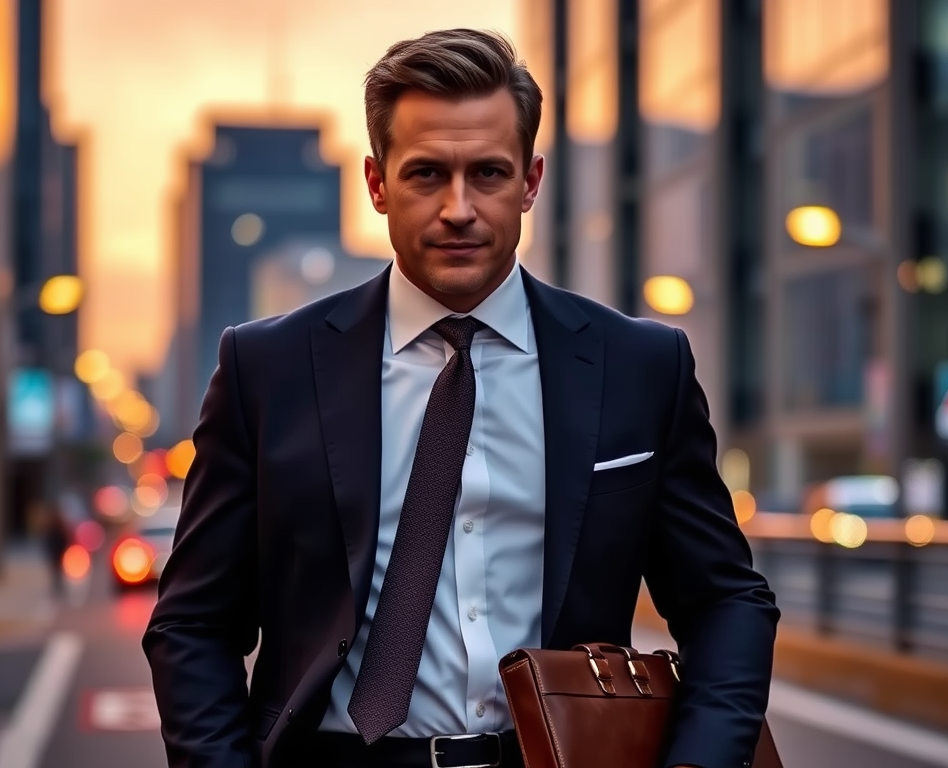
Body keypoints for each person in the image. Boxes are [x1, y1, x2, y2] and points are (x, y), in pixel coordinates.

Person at [143, 28, 779, 768]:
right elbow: (192, 623)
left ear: (531, 182)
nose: (458, 208)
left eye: (487, 173)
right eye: (425, 175)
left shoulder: (640, 366)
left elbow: (725, 600)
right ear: (377, 183)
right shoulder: (267, 368)